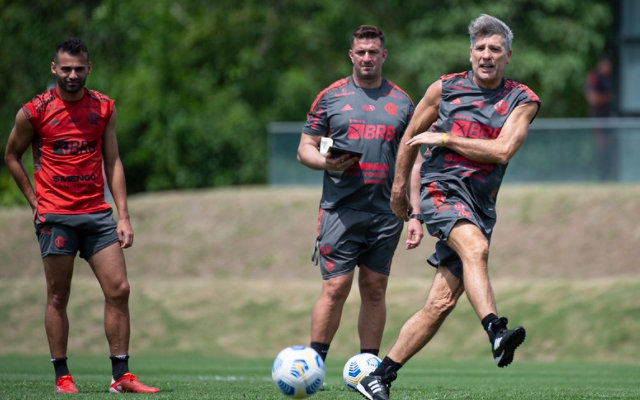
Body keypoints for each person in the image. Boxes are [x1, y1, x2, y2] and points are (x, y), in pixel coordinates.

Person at [356, 14, 541, 400]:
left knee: (439, 303)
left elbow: (504, 150)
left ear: (508, 56)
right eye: (480, 48)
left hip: (481, 204)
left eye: (495, 49)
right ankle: (495, 330)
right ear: (470, 53)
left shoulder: (522, 100)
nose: (486, 56)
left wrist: (444, 137)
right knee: (476, 248)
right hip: (442, 190)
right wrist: (399, 191)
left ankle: (379, 378)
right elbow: (410, 137)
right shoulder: (444, 89)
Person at [4, 38, 160, 394]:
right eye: (66, 68)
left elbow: (113, 161)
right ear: (54, 69)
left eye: (79, 69)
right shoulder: (34, 111)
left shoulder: (104, 107)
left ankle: (121, 376)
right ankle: (62, 376)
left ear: (88, 69)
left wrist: (123, 215)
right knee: (59, 295)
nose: (72, 75)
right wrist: (34, 201)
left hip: (97, 215)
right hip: (56, 217)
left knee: (119, 289)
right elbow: (11, 155)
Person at [296, 25, 414, 382]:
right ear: (351, 55)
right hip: (340, 209)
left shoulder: (404, 101)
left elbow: (415, 159)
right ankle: (314, 367)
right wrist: (325, 162)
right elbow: (305, 148)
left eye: (373, 52)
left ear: (383, 55)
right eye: (360, 52)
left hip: (386, 212)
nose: (366, 58)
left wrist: (415, 211)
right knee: (335, 287)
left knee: (375, 289)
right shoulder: (330, 97)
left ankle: (368, 370)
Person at [584, 54, 617, 181]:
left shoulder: (611, 79)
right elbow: (592, 98)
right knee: (601, 149)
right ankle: (601, 179)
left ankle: (611, 178)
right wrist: (607, 98)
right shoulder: (595, 77)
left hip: (610, 121)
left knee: (611, 150)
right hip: (599, 121)